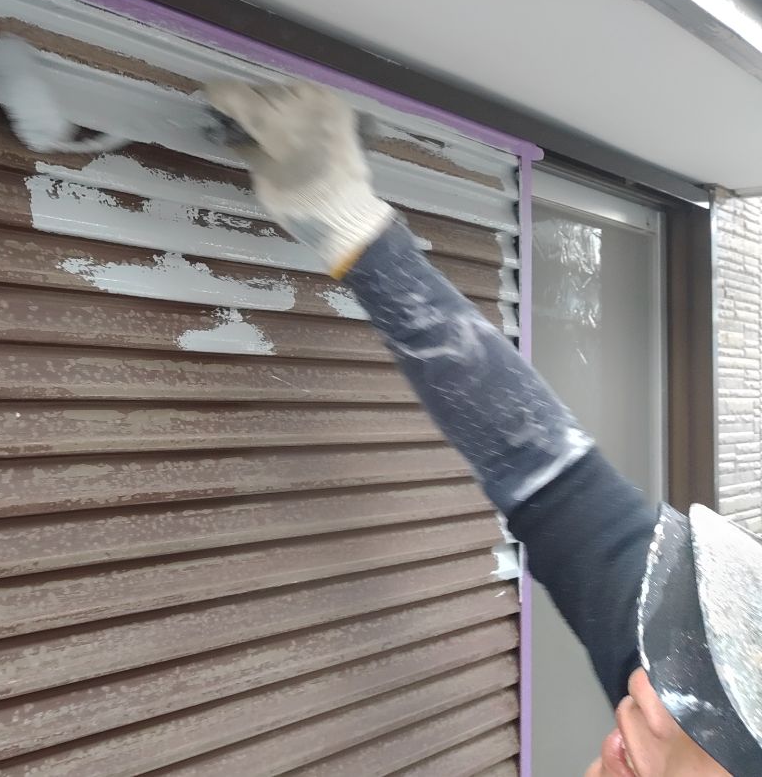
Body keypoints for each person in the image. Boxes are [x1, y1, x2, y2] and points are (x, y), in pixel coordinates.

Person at [203, 81, 762, 777]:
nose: (648, 691)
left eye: (717, 716)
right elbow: (546, 471)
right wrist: (346, 222)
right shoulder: (660, 692)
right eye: (690, 669)